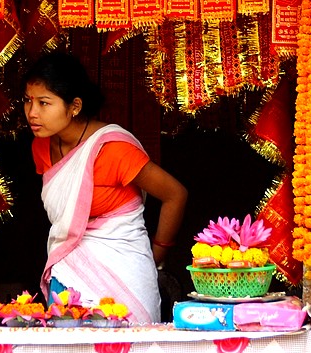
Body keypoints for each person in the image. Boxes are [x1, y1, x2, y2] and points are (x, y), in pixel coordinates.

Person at [22, 52, 187, 324]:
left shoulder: (113, 149)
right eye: (28, 101)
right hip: (68, 271)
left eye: (44, 103)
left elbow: (175, 195)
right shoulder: (41, 147)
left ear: (74, 106)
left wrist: (156, 256)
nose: (32, 113)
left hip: (124, 271)